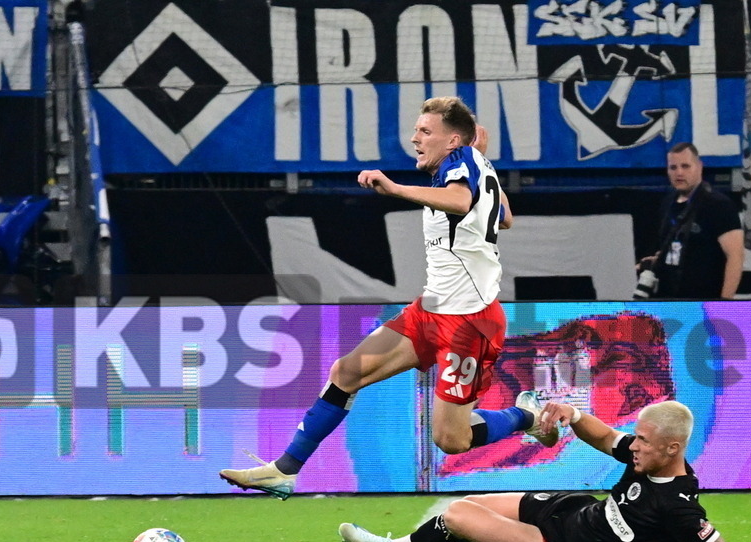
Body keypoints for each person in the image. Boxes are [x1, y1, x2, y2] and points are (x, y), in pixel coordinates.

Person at [220, 96, 557, 499]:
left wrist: (396, 188)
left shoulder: (461, 164)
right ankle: (284, 470)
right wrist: (484, 164)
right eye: (416, 130)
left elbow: (461, 201)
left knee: (452, 439)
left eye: (425, 131)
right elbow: (505, 217)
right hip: (431, 310)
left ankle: (525, 416)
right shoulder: (474, 165)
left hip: (469, 323)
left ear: (452, 141)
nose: (415, 138)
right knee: (347, 372)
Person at [339, 399, 737, 542]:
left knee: (458, 515)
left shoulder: (678, 504)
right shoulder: (644, 454)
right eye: (637, 436)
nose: (634, 445)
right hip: (573, 512)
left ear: (672, 448)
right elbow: (604, 436)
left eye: (644, 440)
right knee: (474, 504)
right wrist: (572, 413)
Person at [636, 142, 744, 300]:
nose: (679, 173)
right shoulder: (668, 203)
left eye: (685, 166)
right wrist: (656, 262)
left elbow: (735, 256)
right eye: (673, 167)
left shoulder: (719, 205)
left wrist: (724, 303)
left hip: (703, 302)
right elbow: (678, 248)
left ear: (699, 167)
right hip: (668, 300)